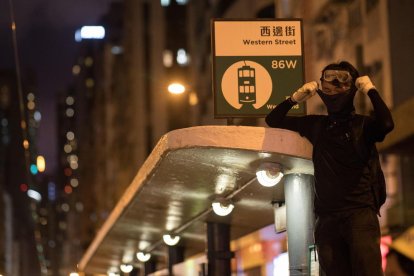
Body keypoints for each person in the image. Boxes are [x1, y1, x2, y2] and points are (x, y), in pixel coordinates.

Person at [265, 61, 394, 275]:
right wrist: (296, 97)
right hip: (326, 218)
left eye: (342, 81)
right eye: (328, 80)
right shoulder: (316, 125)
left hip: (360, 214)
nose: (333, 86)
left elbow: (387, 124)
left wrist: (370, 90)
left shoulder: (363, 125)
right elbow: (273, 119)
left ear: (353, 87)